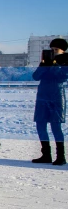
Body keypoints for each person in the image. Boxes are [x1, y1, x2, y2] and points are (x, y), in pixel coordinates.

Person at [31, 37, 68, 166]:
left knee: (55, 127)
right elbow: (35, 77)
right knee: (40, 125)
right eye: (52, 49)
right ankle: (46, 155)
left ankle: (61, 157)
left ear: (63, 51)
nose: (53, 51)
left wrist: (53, 65)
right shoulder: (46, 61)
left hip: (56, 97)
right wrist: (43, 65)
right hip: (42, 96)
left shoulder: (65, 62)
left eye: (56, 49)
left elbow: (62, 78)